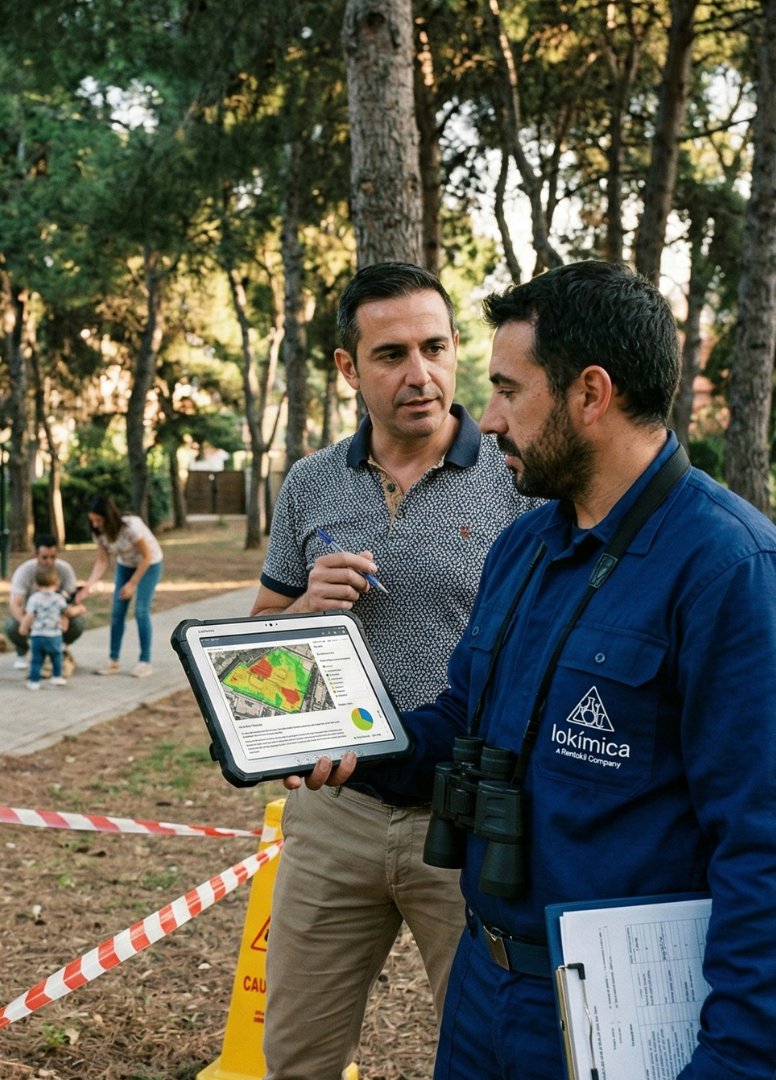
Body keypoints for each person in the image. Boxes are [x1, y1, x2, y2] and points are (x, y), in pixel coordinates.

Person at [291, 262, 776, 1080]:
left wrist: (734, 1064)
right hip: (485, 991)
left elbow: (772, 857)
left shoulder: (733, 572)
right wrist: (358, 744)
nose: (491, 418)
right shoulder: (526, 546)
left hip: (623, 1015)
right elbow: (457, 723)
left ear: (590, 394)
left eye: (509, 390)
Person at [252, 262, 539, 1079]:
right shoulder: (310, 482)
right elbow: (260, 643)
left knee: (489, 1057)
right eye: (391, 355)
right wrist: (306, 606)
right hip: (333, 813)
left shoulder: (517, 474)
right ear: (348, 368)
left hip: (471, 814)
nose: (421, 375)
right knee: (296, 1058)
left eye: (436, 347)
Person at [76, 495, 163, 677]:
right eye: (92, 521)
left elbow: (146, 556)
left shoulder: (131, 526)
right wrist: (88, 585)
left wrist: (132, 584)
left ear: (109, 517)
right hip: (126, 565)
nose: (95, 524)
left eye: (98, 520)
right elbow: (102, 561)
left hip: (150, 564)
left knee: (141, 610)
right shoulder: (99, 533)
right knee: (117, 612)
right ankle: (113, 661)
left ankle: (144, 662)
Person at [5, 533, 86, 669]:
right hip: (32, 616)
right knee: (11, 626)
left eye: (53, 557)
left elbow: (73, 600)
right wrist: (26, 623)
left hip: (57, 617)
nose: (49, 561)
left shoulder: (64, 569)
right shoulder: (24, 571)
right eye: (44, 557)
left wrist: (65, 615)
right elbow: (15, 604)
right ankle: (23, 651)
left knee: (78, 623)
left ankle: (59, 648)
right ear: (35, 555)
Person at [20, 565, 68, 690]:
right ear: (57, 583)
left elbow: (30, 615)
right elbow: (65, 612)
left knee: (36, 659)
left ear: (35, 584)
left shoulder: (34, 599)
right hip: (54, 635)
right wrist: (64, 623)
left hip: (38, 635)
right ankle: (57, 677)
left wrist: (24, 627)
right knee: (57, 656)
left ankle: (34, 681)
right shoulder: (59, 598)